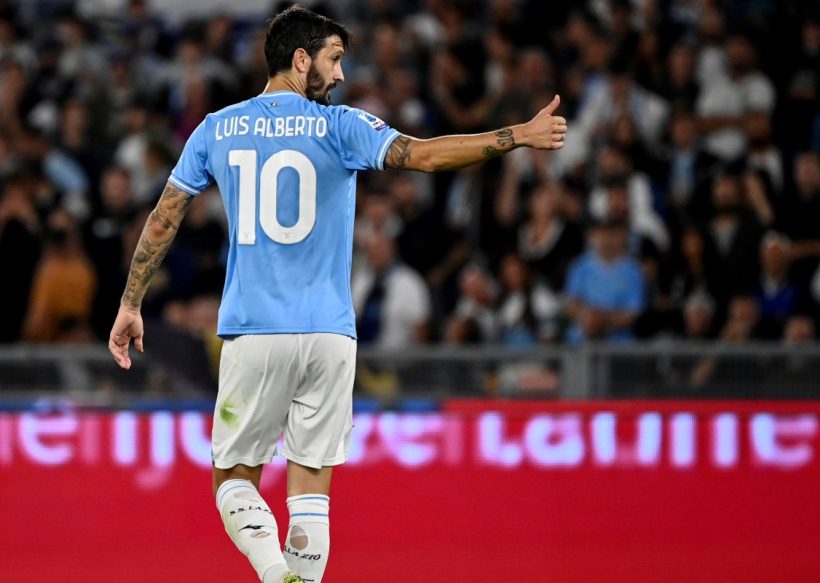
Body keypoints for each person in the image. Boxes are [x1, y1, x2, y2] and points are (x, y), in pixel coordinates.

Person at [106, 6, 567, 583]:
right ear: (301, 61)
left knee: (233, 480)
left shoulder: (216, 128)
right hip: (329, 336)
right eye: (334, 59)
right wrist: (517, 137)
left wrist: (130, 303)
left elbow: (162, 220)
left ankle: (275, 574)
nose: (342, 75)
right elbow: (423, 155)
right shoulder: (342, 125)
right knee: (311, 490)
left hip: (254, 332)